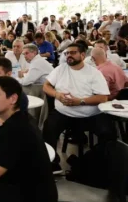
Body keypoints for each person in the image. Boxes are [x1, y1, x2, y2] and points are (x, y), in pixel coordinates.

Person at [42, 42, 115, 172]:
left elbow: (103, 97)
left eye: (73, 52)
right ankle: (53, 163)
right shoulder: (60, 69)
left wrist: (80, 101)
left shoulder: (94, 73)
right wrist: (57, 95)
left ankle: (94, 163)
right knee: (48, 128)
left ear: (82, 55)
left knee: (108, 134)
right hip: (63, 113)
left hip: (90, 115)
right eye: (67, 53)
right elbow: (46, 86)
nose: (69, 55)